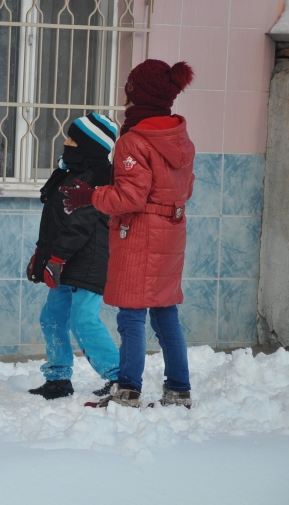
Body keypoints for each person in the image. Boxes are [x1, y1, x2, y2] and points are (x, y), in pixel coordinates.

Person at [61, 59, 195, 408]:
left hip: (141, 234)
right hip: (171, 231)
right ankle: (179, 389)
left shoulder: (134, 141)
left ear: (142, 96)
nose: (125, 102)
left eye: (129, 94)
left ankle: (128, 390)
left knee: (131, 313)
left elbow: (131, 197)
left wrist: (90, 196)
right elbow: (184, 189)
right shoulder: (179, 137)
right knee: (165, 312)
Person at [26, 113, 120, 400]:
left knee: (83, 319)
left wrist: (54, 258)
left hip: (89, 260)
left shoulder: (101, 179)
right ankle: (58, 376)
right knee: (52, 318)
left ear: (89, 146)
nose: (65, 142)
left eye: (72, 138)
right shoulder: (70, 172)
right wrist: (41, 255)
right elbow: (55, 220)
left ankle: (118, 378)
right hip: (63, 259)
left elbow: (80, 223)